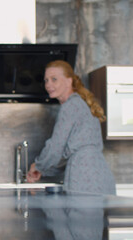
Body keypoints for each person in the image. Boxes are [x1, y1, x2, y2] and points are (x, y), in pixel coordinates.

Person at [26, 60, 116, 195]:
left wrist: (38, 166)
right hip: (100, 175)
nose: (48, 84)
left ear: (69, 81)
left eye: (54, 79)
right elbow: (64, 153)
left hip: (84, 176)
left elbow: (56, 147)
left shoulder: (70, 106)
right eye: (46, 80)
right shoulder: (80, 104)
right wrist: (43, 169)